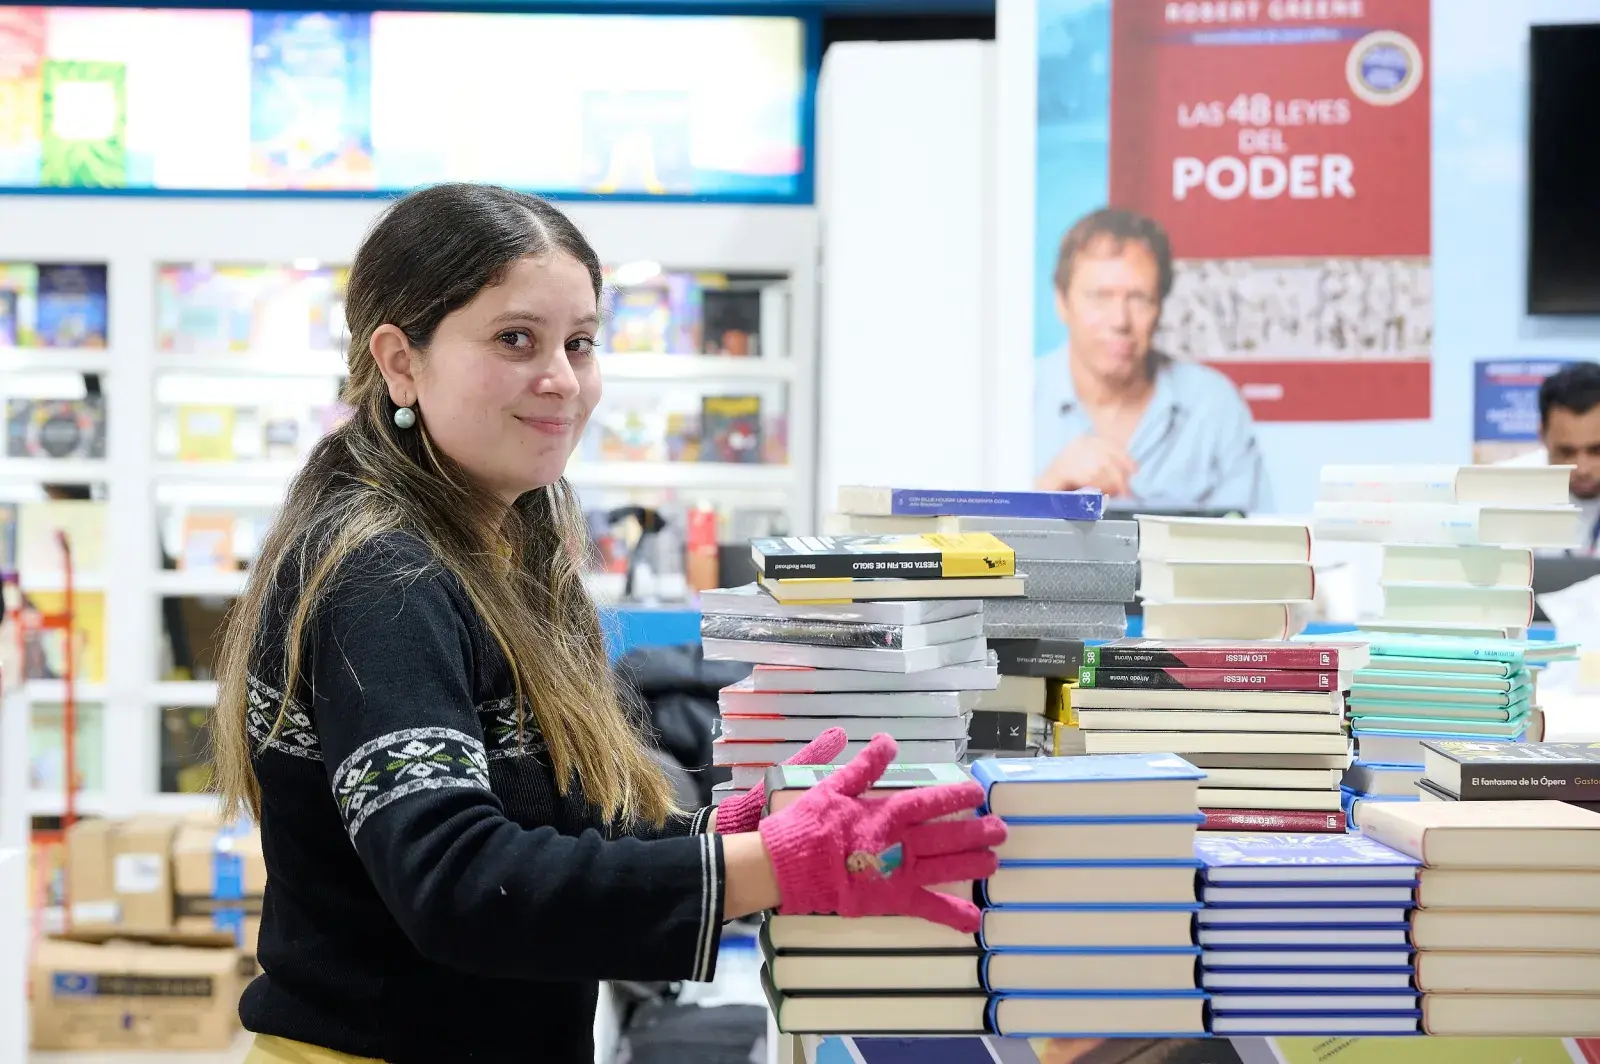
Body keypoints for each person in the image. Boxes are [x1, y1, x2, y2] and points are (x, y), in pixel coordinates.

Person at [210, 183, 1006, 1064]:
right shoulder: (381, 575)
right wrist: (769, 865)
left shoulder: (503, 550)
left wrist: (729, 831)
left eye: (580, 343)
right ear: (401, 361)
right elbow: (456, 882)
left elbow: (548, 831)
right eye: (516, 339)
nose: (561, 378)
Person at [1033, 208, 1270, 511]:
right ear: (1061, 302)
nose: (1120, 320)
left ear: (1160, 306)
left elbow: (1257, 532)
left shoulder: (1213, 404)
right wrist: (1044, 491)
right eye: (1099, 297)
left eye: (1139, 299)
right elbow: (976, 532)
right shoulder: (1015, 401)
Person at [1503, 361, 1600, 552]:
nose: (1582, 469)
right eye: (1566, 452)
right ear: (1542, 435)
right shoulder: (1501, 498)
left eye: (1596, 450)